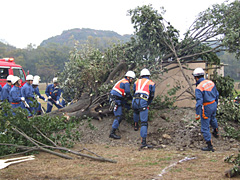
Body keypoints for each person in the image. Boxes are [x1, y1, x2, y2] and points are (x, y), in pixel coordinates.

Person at [193, 67, 219, 152]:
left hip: (206, 107)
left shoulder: (199, 87)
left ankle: (209, 145)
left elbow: (199, 102)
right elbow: (217, 94)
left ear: (196, 77)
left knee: (204, 127)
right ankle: (216, 131)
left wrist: (197, 113)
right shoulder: (211, 82)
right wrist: (216, 104)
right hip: (213, 104)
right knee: (213, 118)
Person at [132, 68, 155, 148]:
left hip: (134, 100)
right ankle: (143, 142)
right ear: (149, 75)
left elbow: (134, 90)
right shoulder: (151, 83)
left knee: (135, 111)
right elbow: (152, 95)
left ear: (141, 75)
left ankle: (135, 125)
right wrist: (147, 103)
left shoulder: (136, 81)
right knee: (144, 123)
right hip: (143, 101)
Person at [109, 71, 136, 139]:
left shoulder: (122, 81)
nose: (132, 80)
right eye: (131, 79)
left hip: (117, 98)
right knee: (119, 116)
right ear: (128, 77)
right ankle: (112, 133)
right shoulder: (126, 82)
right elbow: (127, 93)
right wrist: (133, 99)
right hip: (116, 99)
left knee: (126, 106)